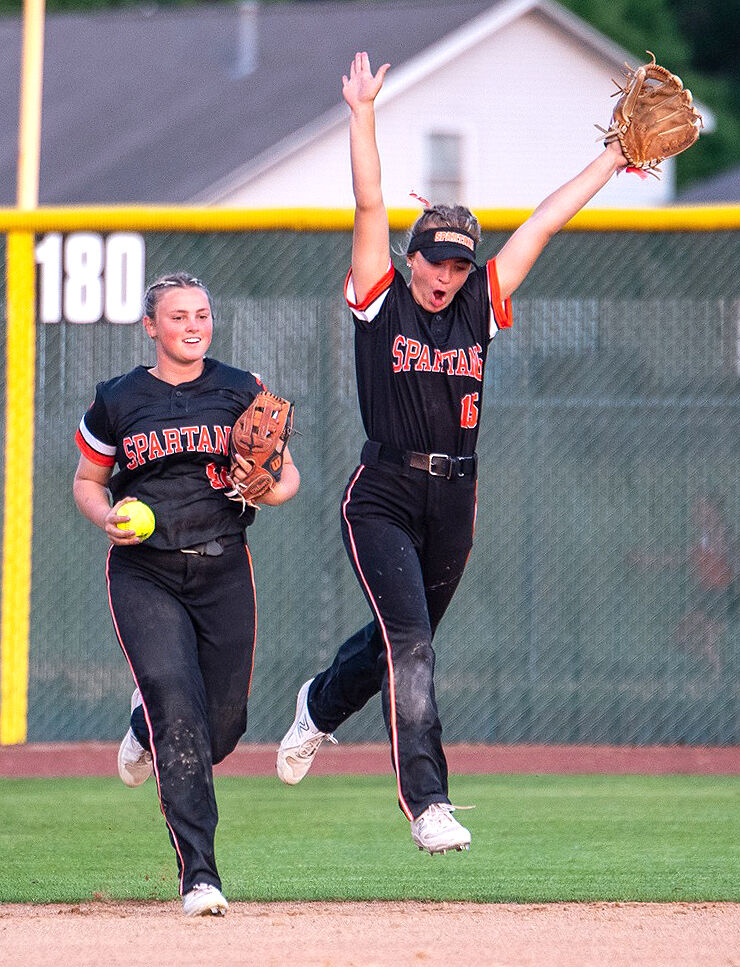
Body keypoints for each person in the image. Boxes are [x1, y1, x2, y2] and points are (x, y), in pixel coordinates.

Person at [276, 52, 629, 854]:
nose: (446, 273)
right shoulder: (381, 295)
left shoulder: (480, 306)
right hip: (383, 496)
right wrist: (362, 115)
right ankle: (427, 801)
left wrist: (611, 158)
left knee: (398, 648)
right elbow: (369, 201)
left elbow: (544, 220)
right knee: (412, 646)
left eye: (459, 261)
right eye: (436, 258)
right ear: (411, 257)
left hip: (454, 505)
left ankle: (319, 707)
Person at [73, 272, 300, 916]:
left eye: (201, 313)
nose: (192, 325)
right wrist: (104, 516)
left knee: (220, 729)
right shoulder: (117, 399)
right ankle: (200, 873)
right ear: (151, 327)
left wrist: (265, 484)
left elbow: (287, 483)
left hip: (223, 567)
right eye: (177, 316)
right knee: (180, 711)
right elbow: (87, 481)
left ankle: (141, 725)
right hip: (145, 571)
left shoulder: (240, 389)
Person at [629, 492, 737, 675]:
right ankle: (716, 676)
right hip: (705, 595)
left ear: (714, 511)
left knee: (705, 638)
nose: (696, 512)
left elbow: (733, 563)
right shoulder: (703, 538)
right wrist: (646, 560)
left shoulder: (725, 535)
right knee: (684, 637)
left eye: (702, 508)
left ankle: (716, 677)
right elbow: (679, 558)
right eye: (696, 508)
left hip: (723, 595)